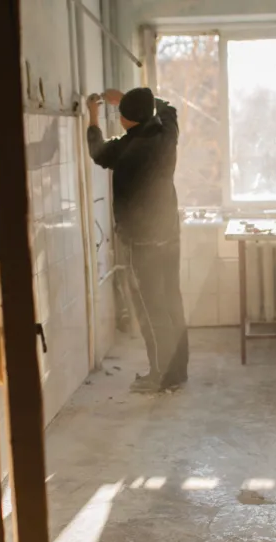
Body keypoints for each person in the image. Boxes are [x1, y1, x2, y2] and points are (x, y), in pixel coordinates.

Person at [87, 87, 188, 393]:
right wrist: (133, 99)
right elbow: (169, 108)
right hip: (169, 236)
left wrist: (93, 115)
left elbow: (97, 152)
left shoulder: (126, 148)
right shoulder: (166, 134)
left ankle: (159, 376)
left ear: (125, 119)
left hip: (143, 243)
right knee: (172, 302)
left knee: (151, 310)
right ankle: (177, 373)